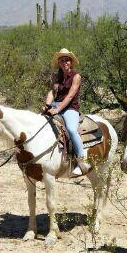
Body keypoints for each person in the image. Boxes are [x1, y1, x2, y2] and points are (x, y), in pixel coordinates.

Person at [41, 48, 90, 177]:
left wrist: (57, 109)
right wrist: (47, 105)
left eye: (67, 60)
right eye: (62, 60)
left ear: (71, 62)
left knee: (72, 130)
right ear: (59, 63)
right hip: (56, 105)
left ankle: (81, 160)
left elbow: (69, 96)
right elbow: (51, 92)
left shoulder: (76, 76)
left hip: (70, 108)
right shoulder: (56, 76)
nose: (64, 62)